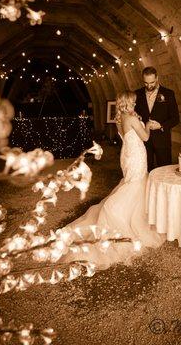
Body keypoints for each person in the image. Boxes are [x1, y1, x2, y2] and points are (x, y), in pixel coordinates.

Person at [60, 91, 166, 270]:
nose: (134, 102)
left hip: (127, 155)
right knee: (136, 184)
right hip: (136, 155)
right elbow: (145, 138)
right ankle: (123, 216)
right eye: (133, 101)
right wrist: (147, 125)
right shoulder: (131, 118)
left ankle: (131, 213)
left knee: (131, 182)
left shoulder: (119, 119)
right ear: (128, 102)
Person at [135, 66, 179, 171]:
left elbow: (175, 118)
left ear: (157, 78)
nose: (149, 86)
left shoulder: (168, 94)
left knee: (164, 171)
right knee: (145, 170)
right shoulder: (137, 94)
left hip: (162, 140)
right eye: (146, 83)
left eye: (152, 82)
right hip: (143, 141)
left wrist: (161, 125)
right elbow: (134, 114)